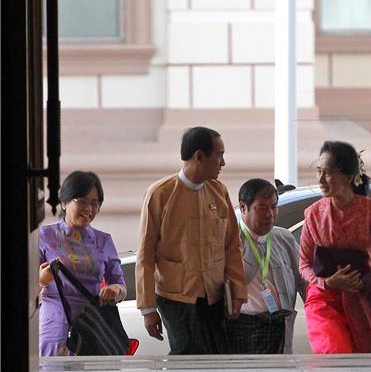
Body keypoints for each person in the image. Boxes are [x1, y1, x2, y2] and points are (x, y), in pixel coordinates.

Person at [135, 126, 247, 354]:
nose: (223, 163)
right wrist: (148, 309)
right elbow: (145, 255)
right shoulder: (160, 194)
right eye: (219, 155)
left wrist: (237, 292)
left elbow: (232, 247)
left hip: (215, 296)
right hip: (176, 297)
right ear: (199, 156)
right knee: (187, 360)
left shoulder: (219, 192)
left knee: (216, 362)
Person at [298, 141, 371, 354]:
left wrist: (363, 282)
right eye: (319, 171)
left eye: (327, 173)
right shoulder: (313, 213)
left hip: (362, 300)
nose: (320, 180)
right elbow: (304, 265)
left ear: (348, 176)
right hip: (324, 300)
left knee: (362, 371)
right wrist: (327, 282)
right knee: (335, 354)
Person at [38, 171, 126, 356]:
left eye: (95, 203)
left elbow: (120, 285)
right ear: (64, 202)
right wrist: (42, 279)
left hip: (93, 327)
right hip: (55, 326)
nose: (89, 209)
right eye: (82, 201)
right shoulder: (44, 236)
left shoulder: (104, 241)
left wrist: (115, 290)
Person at [226, 178, 307, 354]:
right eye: (262, 208)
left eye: (274, 207)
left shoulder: (283, 238)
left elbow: (304, 281)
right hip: (243, 328)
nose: (270, 214)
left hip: (279, 326)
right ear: (243, 207)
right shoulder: (229, 241)